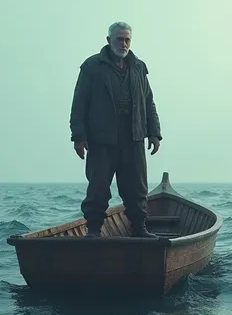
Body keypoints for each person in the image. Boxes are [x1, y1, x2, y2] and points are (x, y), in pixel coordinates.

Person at [69, 22, 162, 238]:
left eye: (127, 39)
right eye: (119, 39)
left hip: (134, 137)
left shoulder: (139, 67)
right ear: (109, 40)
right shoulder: (92, 66)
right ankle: (93, 231)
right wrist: (78, 136)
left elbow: (148, 101)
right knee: (98, 188)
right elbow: (79, 102)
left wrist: (154, 133)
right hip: (101, 139)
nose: (124, 43)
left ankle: (139, 229)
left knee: (136, 189)